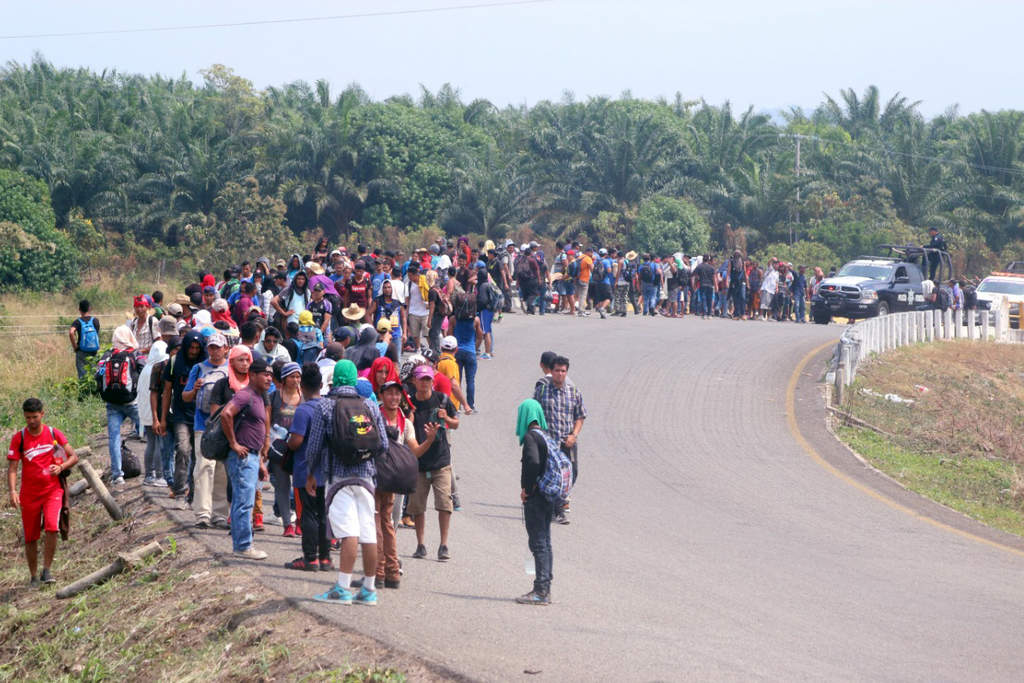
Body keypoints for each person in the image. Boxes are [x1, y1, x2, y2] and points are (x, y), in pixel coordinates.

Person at [306, 360, 388, 606]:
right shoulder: (369, 405)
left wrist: (311, 473)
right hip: (366, 477)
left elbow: (314, 446)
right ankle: (369, 590)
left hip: (338, 477)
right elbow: (383, 444)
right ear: (353, 379)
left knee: (348, 532)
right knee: (368, 532)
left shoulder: (325, 405)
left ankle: (342, 588)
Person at [7, 398, 79, 586]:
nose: (31, 421)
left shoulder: (54, 433)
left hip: (52, 490)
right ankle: (33, 576)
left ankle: (47, 570)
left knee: (52, 527)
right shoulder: (19, 438)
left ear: (42, 414)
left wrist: (61, 466)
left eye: (35, 417)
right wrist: (12, 491)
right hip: (29, 495)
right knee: (30, 537)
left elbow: (73, 456)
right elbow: (13, 468)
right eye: (28, 418)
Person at [375, 380, 433, 589]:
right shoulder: (375, 416)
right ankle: (391, 573)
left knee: (380, 524)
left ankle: (380, 572)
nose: (394, 397)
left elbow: (415, 451)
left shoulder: (404, 423)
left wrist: (429, 440)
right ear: (382, 396)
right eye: (389, 393)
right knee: (386, 524)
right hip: (378, 477)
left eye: (397, 394)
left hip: (388, 480)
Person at [219, 356, 273, 559]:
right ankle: (243, 546)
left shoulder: (259, 396)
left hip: (251, 457)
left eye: (271, 375)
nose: (269, 378)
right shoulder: (245, 395)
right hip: (242, 458)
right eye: (265, 374)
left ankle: (241, 543)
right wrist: (234, 443)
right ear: (253, 375)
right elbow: (226, 414)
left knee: (243, 501)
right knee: (244, 502)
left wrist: (260, 462)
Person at [407, 364, 460, 561]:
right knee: (418, 507)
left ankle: (443, 545)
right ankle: (420, 545)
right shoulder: (410, 404)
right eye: (421, 379)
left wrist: (446, 418)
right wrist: (409, 418)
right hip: (418, 463)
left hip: (441, 461)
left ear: (432, 381)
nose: (425, 383)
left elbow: (456, 423)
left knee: (444, 504)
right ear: (414, 381)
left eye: (428, 379)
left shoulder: (442, 400)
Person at [284, 364, 333, 572]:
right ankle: (325, 558)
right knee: (323, 514)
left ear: (301, 387)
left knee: (308, 515)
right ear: (321, 385)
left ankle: (310, 558)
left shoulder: (303, 411)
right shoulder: (329, 406)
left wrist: (285, 443)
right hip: (328, 470)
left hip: (306, 470)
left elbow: (296, 441)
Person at [181, 333, 229, 528]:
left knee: (222, 471)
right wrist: (194, 390)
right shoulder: (198, 368)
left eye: (218, 347)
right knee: (203, 468)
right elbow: (185, 396)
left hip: (226, 427)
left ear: (226, 348)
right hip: (203, 425)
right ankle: (203, 513)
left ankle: (220, 514)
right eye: (211, 347)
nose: (214, 351)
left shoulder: (231, 368)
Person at [533, 355, 585, 525]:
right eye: (557, 370)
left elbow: (580, 416)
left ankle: (556, 503)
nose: (560, 374)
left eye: (563, 371)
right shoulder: (542, 391)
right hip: (548, 443)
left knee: (571, 474)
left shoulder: (574, 392)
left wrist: (573, 435)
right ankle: (558, 509)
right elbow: (534, 414)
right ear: (551, 371)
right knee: (549, 475)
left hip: (567, 443)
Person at [158, 329, 205, 501]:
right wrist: (163, 419)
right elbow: (167, 391)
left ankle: (193, 491)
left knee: (198, 455)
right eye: (191, 347)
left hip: (200, 415)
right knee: (183, 449)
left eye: (197, 348)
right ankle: (179, 489)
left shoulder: (206, 364)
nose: (193, 351)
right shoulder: (174, 362)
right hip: (180, 414)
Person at [516, 398, 553, 605]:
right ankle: (545, 586)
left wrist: (527, 489)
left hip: (537, 498)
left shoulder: (531, 437)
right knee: (545, 542)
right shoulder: (546, 435)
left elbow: (533, 462)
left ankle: (540, 591)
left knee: (538, 543)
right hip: (549, 496)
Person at [100, 325, 142, 488]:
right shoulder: (135, 353)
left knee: (114, 438)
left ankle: (117, 475)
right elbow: (144, 370)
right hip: (132, 402)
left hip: (112, 404)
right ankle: (155, 471)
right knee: (151, 433)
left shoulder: (107, 355)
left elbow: (98, 374)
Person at [269, 362, 302, 537]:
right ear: (284, 378)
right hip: (279, 449)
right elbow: (266, 421)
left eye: (298, 376)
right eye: (292, 377)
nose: (296, 380)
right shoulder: (274, 397)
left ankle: (300, 522)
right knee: (282, 486)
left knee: (300, 486)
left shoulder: (304, 398)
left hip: (299, 448)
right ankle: (287, 524)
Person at [69, 299, 101, 379]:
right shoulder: (95, 321)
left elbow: (71, 332)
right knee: (94, 373)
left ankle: (84, 387)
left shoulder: (77, 322)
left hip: (81, 351)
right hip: (94, 351)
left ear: (79, 309)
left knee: (82, 375)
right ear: (89, 308)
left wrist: (75, 347)